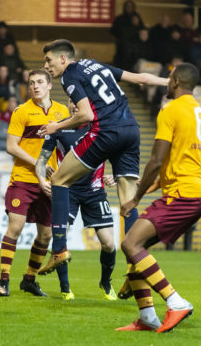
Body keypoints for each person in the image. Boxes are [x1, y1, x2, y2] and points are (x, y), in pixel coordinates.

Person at [37, 39, 168, 291]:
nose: (46, 65)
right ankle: (134, 269)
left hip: (106, 132)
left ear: (63, 59)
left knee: (59, 179)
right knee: (128, 203)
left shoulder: (70, 75)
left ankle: (59, 250)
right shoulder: (96, 65)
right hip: (131, 130)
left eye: (49, 60)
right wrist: (169, 83)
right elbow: (141, 79)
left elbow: (85, 115)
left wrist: (56, 126)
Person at [116, 63, 201, 332]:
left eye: (169, 79)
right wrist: (156, 185)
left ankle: (176, 302)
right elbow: (175, 162)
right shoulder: (196, 110)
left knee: (131, 244)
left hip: (184, 194)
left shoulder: (171, 111)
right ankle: (147, 317)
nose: (166, 83)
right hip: (195, 191)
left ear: (177, 81)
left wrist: (135, 198)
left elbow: (156, 160)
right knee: (135, 246)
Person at [36, 99, 117, 301]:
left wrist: (115, 175)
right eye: (72, 102)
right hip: (67, 191)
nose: (75, 106)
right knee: (60, 239)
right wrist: (40, 180)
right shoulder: (58, 129)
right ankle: (65, 289)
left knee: (108, 244)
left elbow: (117, 156)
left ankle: (106, 283)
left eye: (79, 103)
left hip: (94, 191)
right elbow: (41, 161)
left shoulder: (100, 128)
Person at [0, 69, 69, 297]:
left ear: (49, 85)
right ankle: (4, 280)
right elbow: (11, 146)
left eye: (39, 82)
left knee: (46, 235)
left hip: (50, 182)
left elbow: (66, 145)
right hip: (23, 179)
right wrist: (38, 163)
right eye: (31, 83)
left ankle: (29, 279)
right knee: (15, 227)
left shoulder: (62, 111)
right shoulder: (22, 111)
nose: (35, 86)